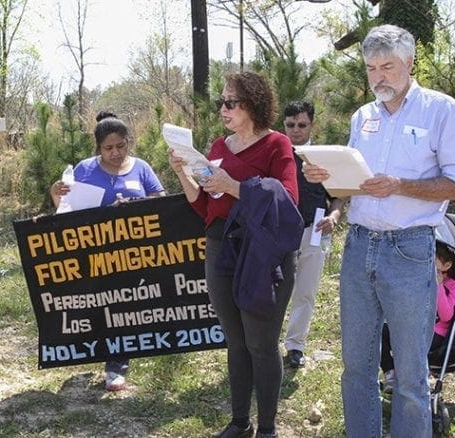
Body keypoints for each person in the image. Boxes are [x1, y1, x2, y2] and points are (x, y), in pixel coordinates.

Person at [303, 25, 455, 437]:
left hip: (410, 249)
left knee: (410, 372)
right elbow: (351, 186)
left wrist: (400, 185)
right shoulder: (363, 116)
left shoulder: (442, 111)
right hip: (360, 247)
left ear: (410, 64)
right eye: (371, 68)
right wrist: (325, 178)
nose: (379, 77)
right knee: (356, 365)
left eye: (388, 67)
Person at [168, 71, 302, 438]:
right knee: (236, 341)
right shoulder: (216, 147)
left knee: (261, 343)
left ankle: (268, 429)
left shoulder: (277, 145)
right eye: (221, 102)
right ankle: (240, 422)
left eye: (230, 102)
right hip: (220, 249)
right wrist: (184, 174)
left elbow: (287, 201)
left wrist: (234, 186)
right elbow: (204, 207)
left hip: (261, 255)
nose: (223, 109)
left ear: (253, 105)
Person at [50, 111, 165, 391]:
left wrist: (136, 207)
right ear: (98, 148)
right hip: (97, 254)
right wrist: (56, 193)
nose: (115, 153)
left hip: (135, 253)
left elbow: (161, 201)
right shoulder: (85, 169)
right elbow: (66, 209)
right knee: (103, 305)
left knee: (126, 306)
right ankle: (105, 354)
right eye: (108, 148)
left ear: (129, 142)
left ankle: (118, 364)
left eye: (120, 146)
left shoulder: (141, 168)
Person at [282, 101, 345, 369]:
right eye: (290, 125)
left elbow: (340, 196)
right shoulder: (276, 153)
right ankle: (264, 346)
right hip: (278, 233)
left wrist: (334, 216)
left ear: (312, 125)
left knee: (305, 292)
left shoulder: (323, 156)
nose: (296, 130)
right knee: (273, 291)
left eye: (302, 125)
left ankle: (295, 346)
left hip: (314, 231)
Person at [380, 241, 455, 389]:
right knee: (382, 330)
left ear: (446, 265)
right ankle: (391, 371)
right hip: (415, 324)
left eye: (432, 260)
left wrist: (438, 286)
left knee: (412, 339)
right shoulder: (421, 279)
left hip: (436, 332)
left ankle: (415, 377)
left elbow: (446, 316)